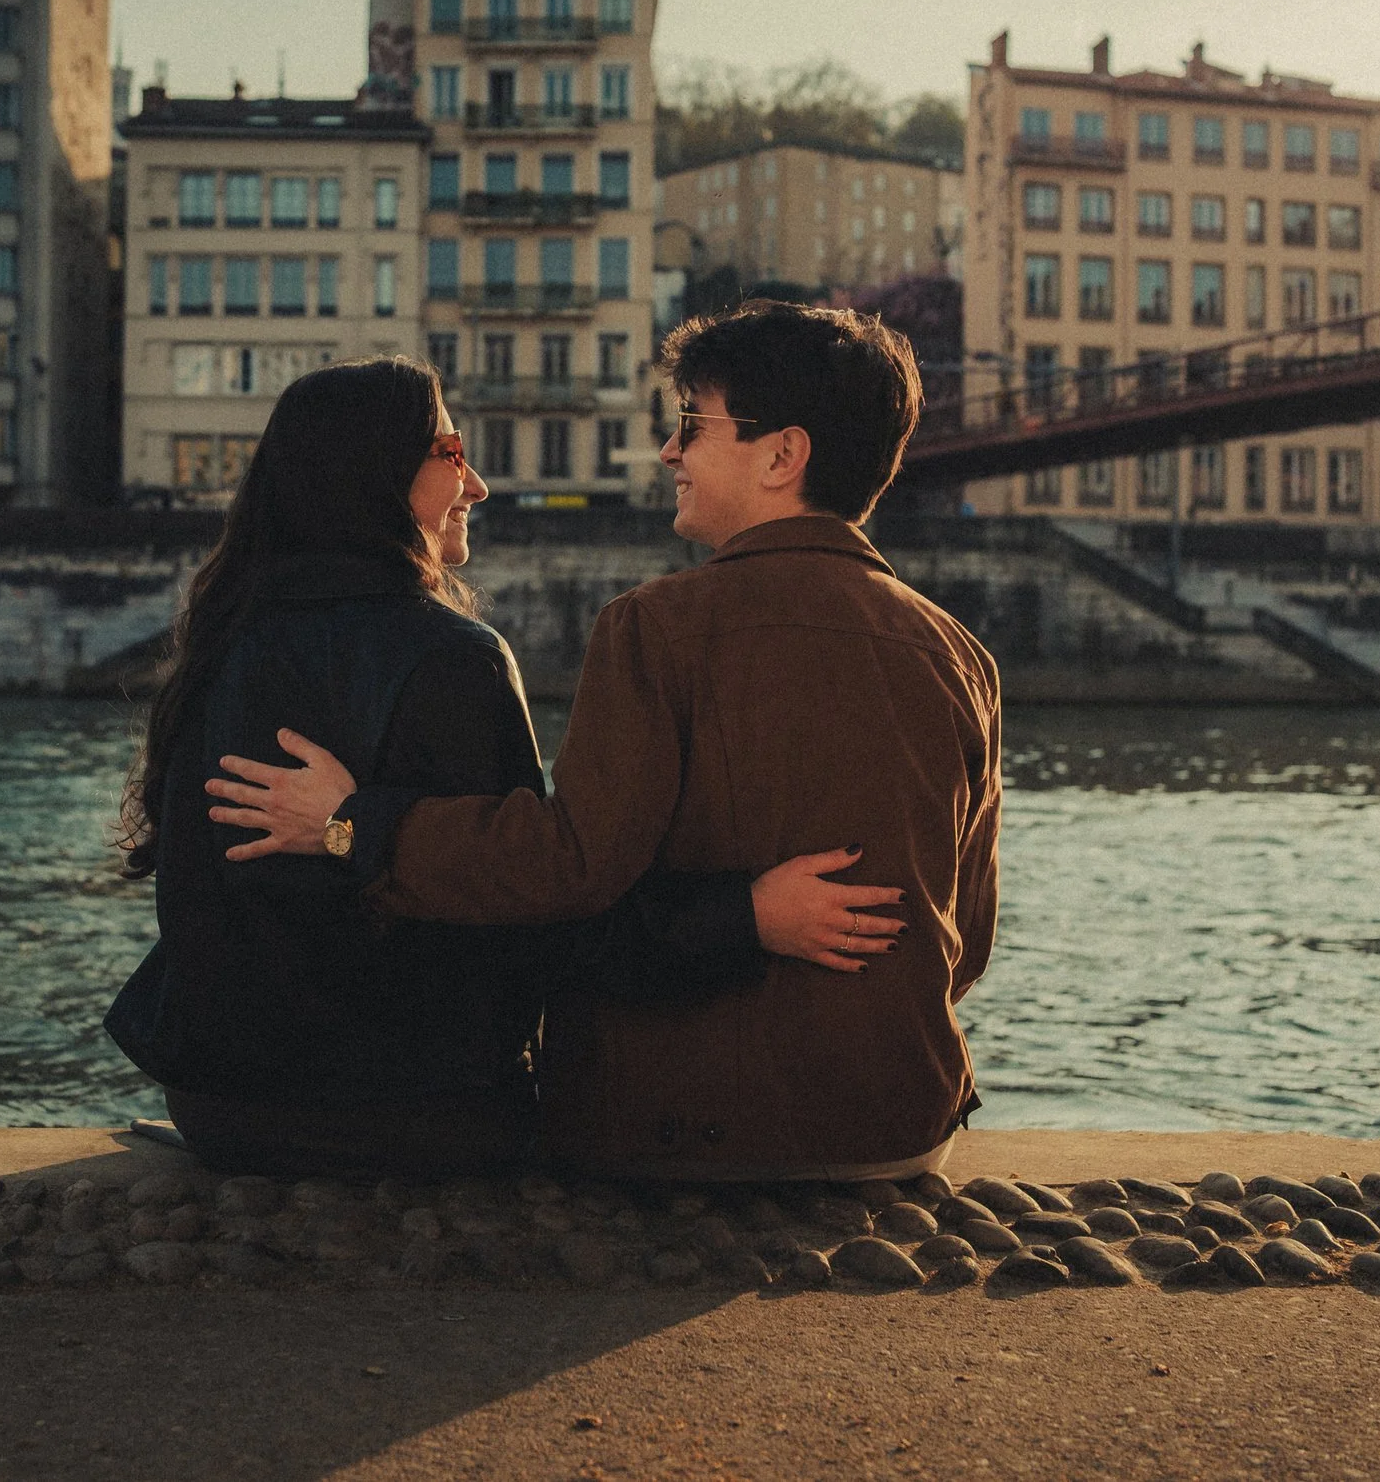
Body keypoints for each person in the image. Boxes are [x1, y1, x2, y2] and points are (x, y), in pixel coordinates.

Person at [207, 302, 1002, 1183]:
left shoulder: (655, 628)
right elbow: (965, 934)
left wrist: (352, 825)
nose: (669, 451)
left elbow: (564, 870)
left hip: (686, 1132)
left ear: (783, 455)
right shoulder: (960, 654)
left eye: (692, 425)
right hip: (902, 1125)